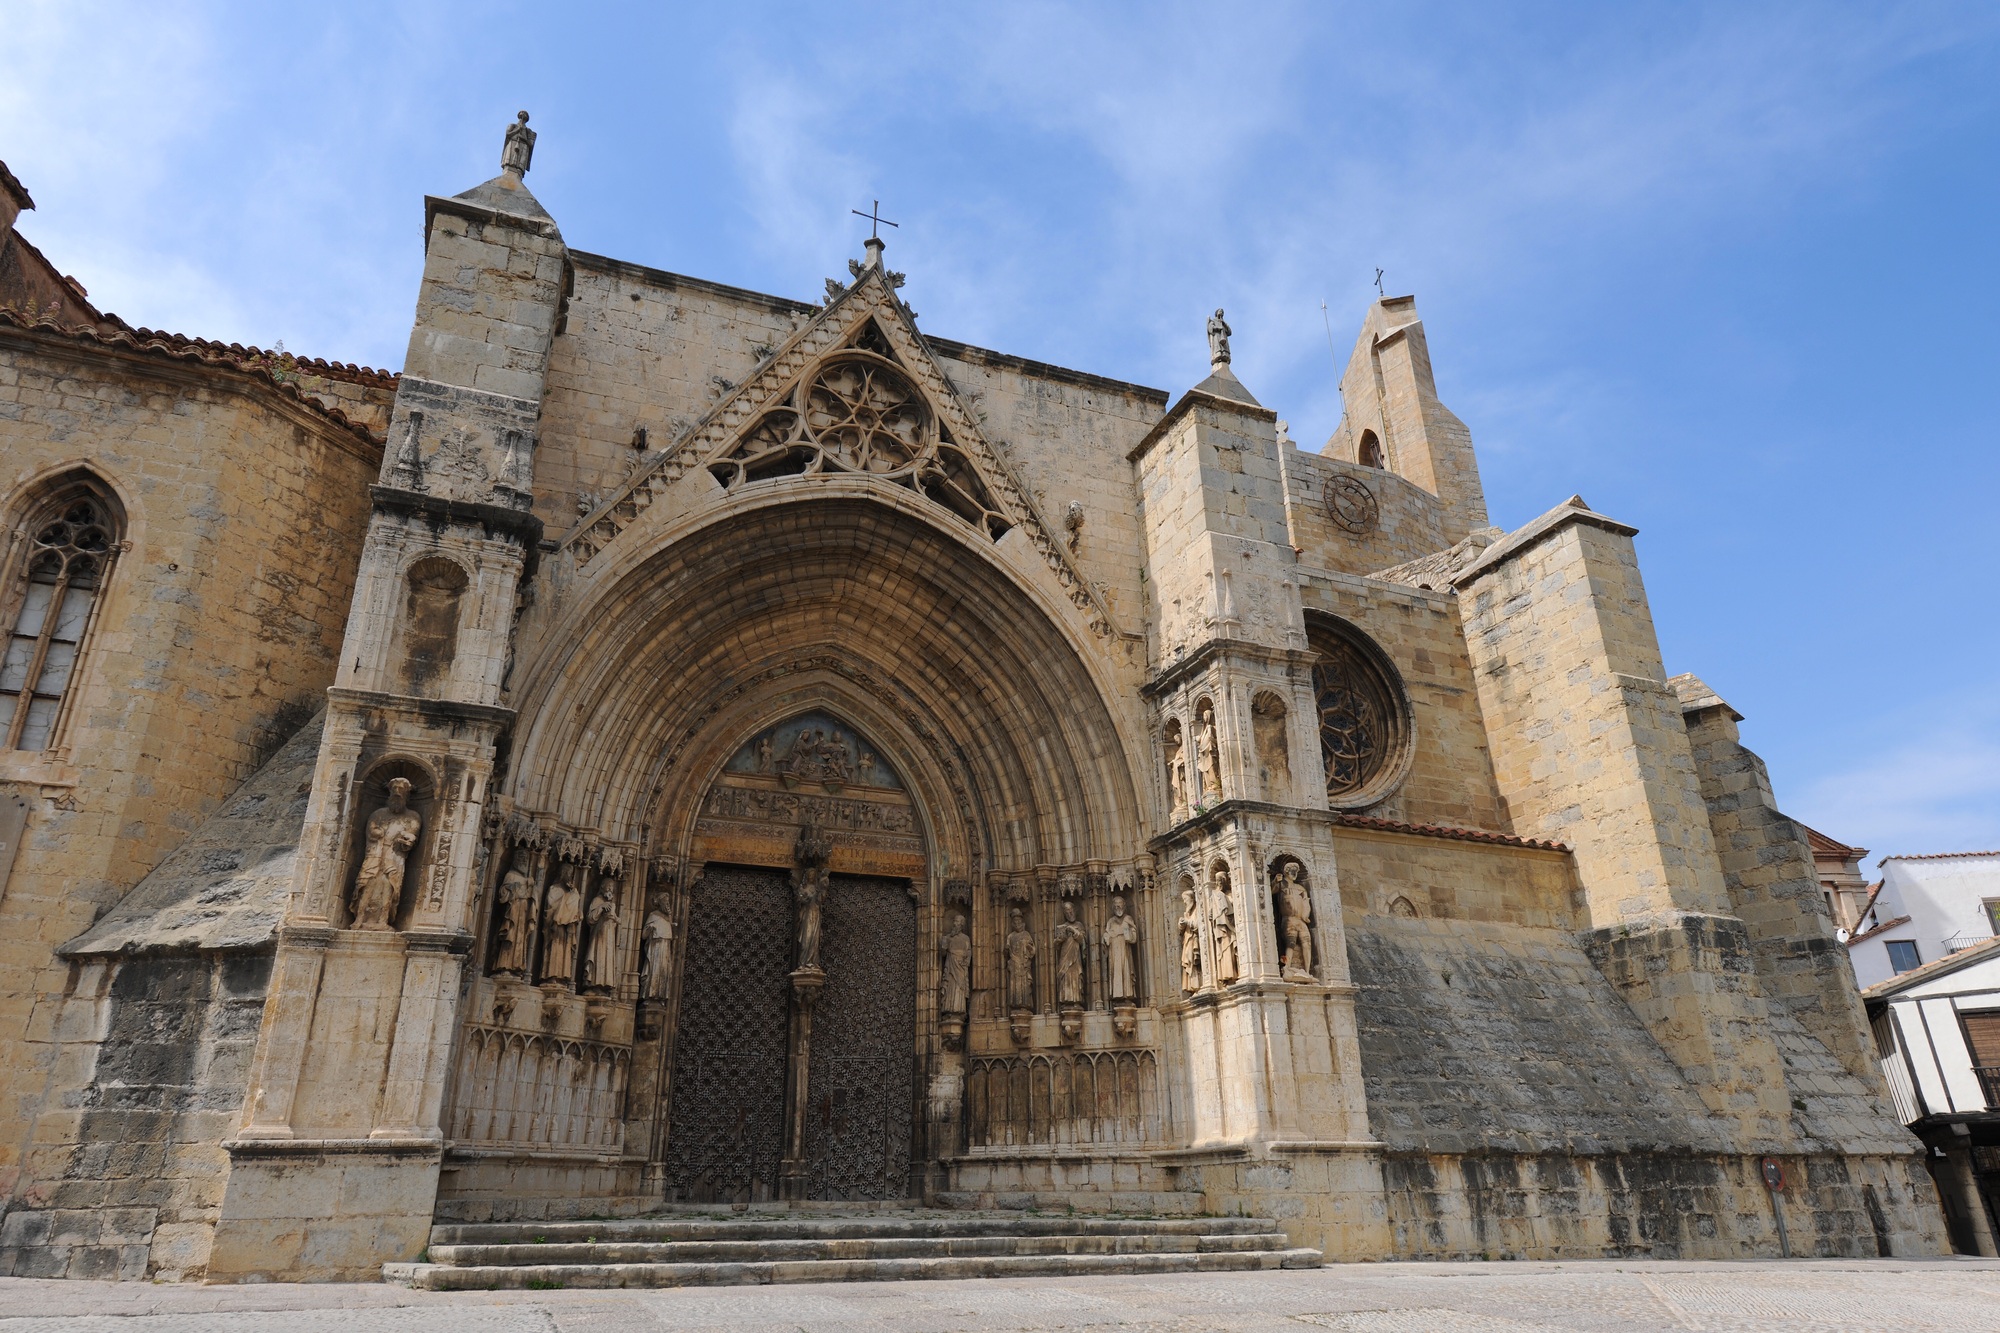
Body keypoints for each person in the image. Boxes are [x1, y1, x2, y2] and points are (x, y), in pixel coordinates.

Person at [351, 777, 421, 930]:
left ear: (407, 795)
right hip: (375, 854)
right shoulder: (378, 814)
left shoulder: (412, 817)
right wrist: (378, 833)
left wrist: (406, 840)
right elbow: (371, 830)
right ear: (389, 793)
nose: (397, 793)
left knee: (390, 886)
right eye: (394, 790)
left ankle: (383, 920)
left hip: (394, 857)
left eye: (401, 791)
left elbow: (412, 835)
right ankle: (360, 919)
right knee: (367, 884)